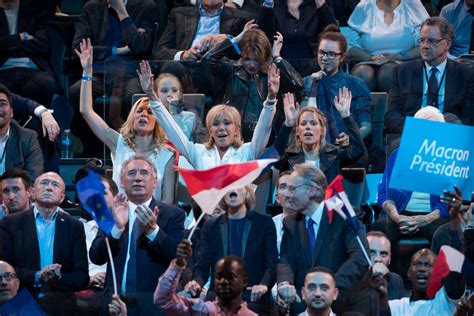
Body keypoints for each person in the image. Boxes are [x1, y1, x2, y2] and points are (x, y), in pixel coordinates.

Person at [76, 39, 176, 203]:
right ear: (132, 117)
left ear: (158, 120)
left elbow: (167, 201)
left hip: (153, 220)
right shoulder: (119, 143)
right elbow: (86, 111)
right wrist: (87, 71)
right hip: (121, 218)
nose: (143, 115)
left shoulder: (167, 155)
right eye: (139, 111)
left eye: (150, 112)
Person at [139, 59, 280, 170]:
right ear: (210, 130)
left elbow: (263, 129)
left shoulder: (247, 151)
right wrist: (151, 95)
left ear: (237, 128)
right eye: (216, 124)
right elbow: (172, 129)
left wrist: (271, 98)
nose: (221, 128)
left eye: (227, 123)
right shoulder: (197, 152)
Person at [89, 155, 185, 315]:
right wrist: (117, 229)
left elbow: (177, 257)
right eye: (132, 173)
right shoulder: (111, 214)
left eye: (144, 173)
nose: (138, 178)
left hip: (154, 305)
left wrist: (153, 231)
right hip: (115, 304)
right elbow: (96, 256)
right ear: (121, 181)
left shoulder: (172, 214)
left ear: (155, 181)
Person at [277, 163, 369, 314]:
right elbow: (287, 259)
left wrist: (330, 287)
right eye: (285, 188)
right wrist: (284, 283)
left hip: (339, 304)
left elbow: (360, 257)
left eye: (292, 188)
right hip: (303, 306)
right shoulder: (290, 222)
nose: (287, 194)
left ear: (312, 190)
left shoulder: (343, 213)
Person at [0, 172, 89, 314]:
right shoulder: (10, 224)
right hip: (22, 305)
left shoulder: (74, 226)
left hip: (62, 306)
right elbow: (4, 269)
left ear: (62, 197)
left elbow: (82, 277)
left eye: (55, 184)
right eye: (44, 183)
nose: (49, 188)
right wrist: (37, 276)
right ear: (33, 193)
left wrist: (59, 278)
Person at [204, 22, 303, 142]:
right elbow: (208, 60)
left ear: (264, 57)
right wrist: (236, 39)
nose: (251, 65)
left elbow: (298, 85)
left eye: (256, 60)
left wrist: (277, 57)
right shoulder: (232, 70)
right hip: (236, 135)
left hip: (268, 135)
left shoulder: (273, 72)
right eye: (247, 59)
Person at [70, 0, 158, 130]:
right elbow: (79, 48)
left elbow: (141, 47)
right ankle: (91, 143)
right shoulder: (92, 8)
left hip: (131, 73)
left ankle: (132, 142)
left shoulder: (145, 6)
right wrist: (114, 50)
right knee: (76, 91)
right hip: (99, 73)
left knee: (133, 94)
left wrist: (121, 11)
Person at [188, 186, 278, 313]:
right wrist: (197, 283)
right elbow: (202, 266)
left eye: (238, 185)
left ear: (247, 191)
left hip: (253, 300)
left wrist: (263, 285)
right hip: (219, 303)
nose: (232, 190)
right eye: (228, 187)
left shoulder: (264, 222)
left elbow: (271, 264)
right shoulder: (211, 225)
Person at [372, 107, 450, 244]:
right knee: (379, 229)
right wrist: (397, 217)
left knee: (444, 233)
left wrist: (426, 219)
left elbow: (452, 201)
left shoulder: (447, 160)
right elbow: (384, 193)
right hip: (402, 215)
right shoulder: (398, 156)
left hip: (435, 218)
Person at [385, 17, 474, 134]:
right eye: (422, 40)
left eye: (431, 41)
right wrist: (415, 129)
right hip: (411, 134)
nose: (425, 46)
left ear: (447, 44)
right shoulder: (401, 73)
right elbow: (392, 115)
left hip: (449, 137)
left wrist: (445, 127)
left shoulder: (465, 75)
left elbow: (469, 119)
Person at [273, 92, 367, 183]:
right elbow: (274, 159)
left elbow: (357, 150)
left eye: (313, 123)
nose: (308, 127)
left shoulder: (334, 155)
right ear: (297, 131)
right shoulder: (288, 157)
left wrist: (346, 115)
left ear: (322, 130)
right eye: (303, 124)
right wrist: (288, 124)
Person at [301, 25, 372, 141]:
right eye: (321, 52)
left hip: (345, 149)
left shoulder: (356, 84)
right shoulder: (306, 82)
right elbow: (299, 122)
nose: (324, 58)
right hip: (312, 148)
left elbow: (366, 125)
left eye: (331, 54)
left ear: (342, 57)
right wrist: (310, 86)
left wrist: (351, 138)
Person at [154, 239, 257, 315]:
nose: (223, 281)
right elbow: (163, 300)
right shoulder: (200, 310)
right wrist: (177, 265)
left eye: (230, 277)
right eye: (218, 276)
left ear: (244, 282)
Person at [347, 0, 429, 92]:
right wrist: (371, 57)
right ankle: (360, 106)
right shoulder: (364, 5)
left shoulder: (412, 4)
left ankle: (394, 106)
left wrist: (403, 56)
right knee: (363, 74)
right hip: (368, 60)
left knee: (389, 73)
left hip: (405, 60)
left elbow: (427, 42)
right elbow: (348, 46)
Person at [0, 0, 62, 107]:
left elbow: (42, 45)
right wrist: (20, 38)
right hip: (2, 70)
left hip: (32, 69)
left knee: (50, 85)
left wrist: (7, 44)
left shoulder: (34, 14)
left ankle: (43, 121)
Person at [257, 0, 336, 76]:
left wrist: (320, 4)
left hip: (313, 66)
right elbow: (262, 37)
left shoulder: (318, 3)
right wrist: (268, 4)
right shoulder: (274, 4)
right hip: (280, 66)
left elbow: (334, 36)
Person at [154, 0, 252, 61]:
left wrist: (229, 41)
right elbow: (160, 52)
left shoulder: (241, 18)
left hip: (221, 69)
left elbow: (248, 53)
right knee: (171, 68)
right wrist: (184, 55)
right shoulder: (179, 15)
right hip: (187, 68)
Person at [386, 248, 465, 315]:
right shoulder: (396, 307)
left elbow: (456, 283)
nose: (422, 269)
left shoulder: (445, 302)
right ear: (409, 273)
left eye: (428, 265)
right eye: (417, 264)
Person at [0, 84, 43, 180]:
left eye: (2, 104)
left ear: (11, 112)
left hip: (14, 194)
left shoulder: (28, 138)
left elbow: (33, 179)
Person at [153, 72, 206, 142]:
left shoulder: (192, 118)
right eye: (164, 91)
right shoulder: (150, 118)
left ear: (180, 94)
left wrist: (174, 112)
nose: (169, 94)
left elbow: (202, 146)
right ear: (156, 95)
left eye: (174, 90)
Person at [366, 231, 405, 299]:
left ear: (389, 259)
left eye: (383, 254)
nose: (378, 259)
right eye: (372, 253)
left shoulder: (395, 280)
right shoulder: (350, 280)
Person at [273, 171, 298, 253]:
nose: (288, 192)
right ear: (277, 198)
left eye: (293, 187)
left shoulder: (311, 224)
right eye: (283, 187)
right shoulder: (271, 225)